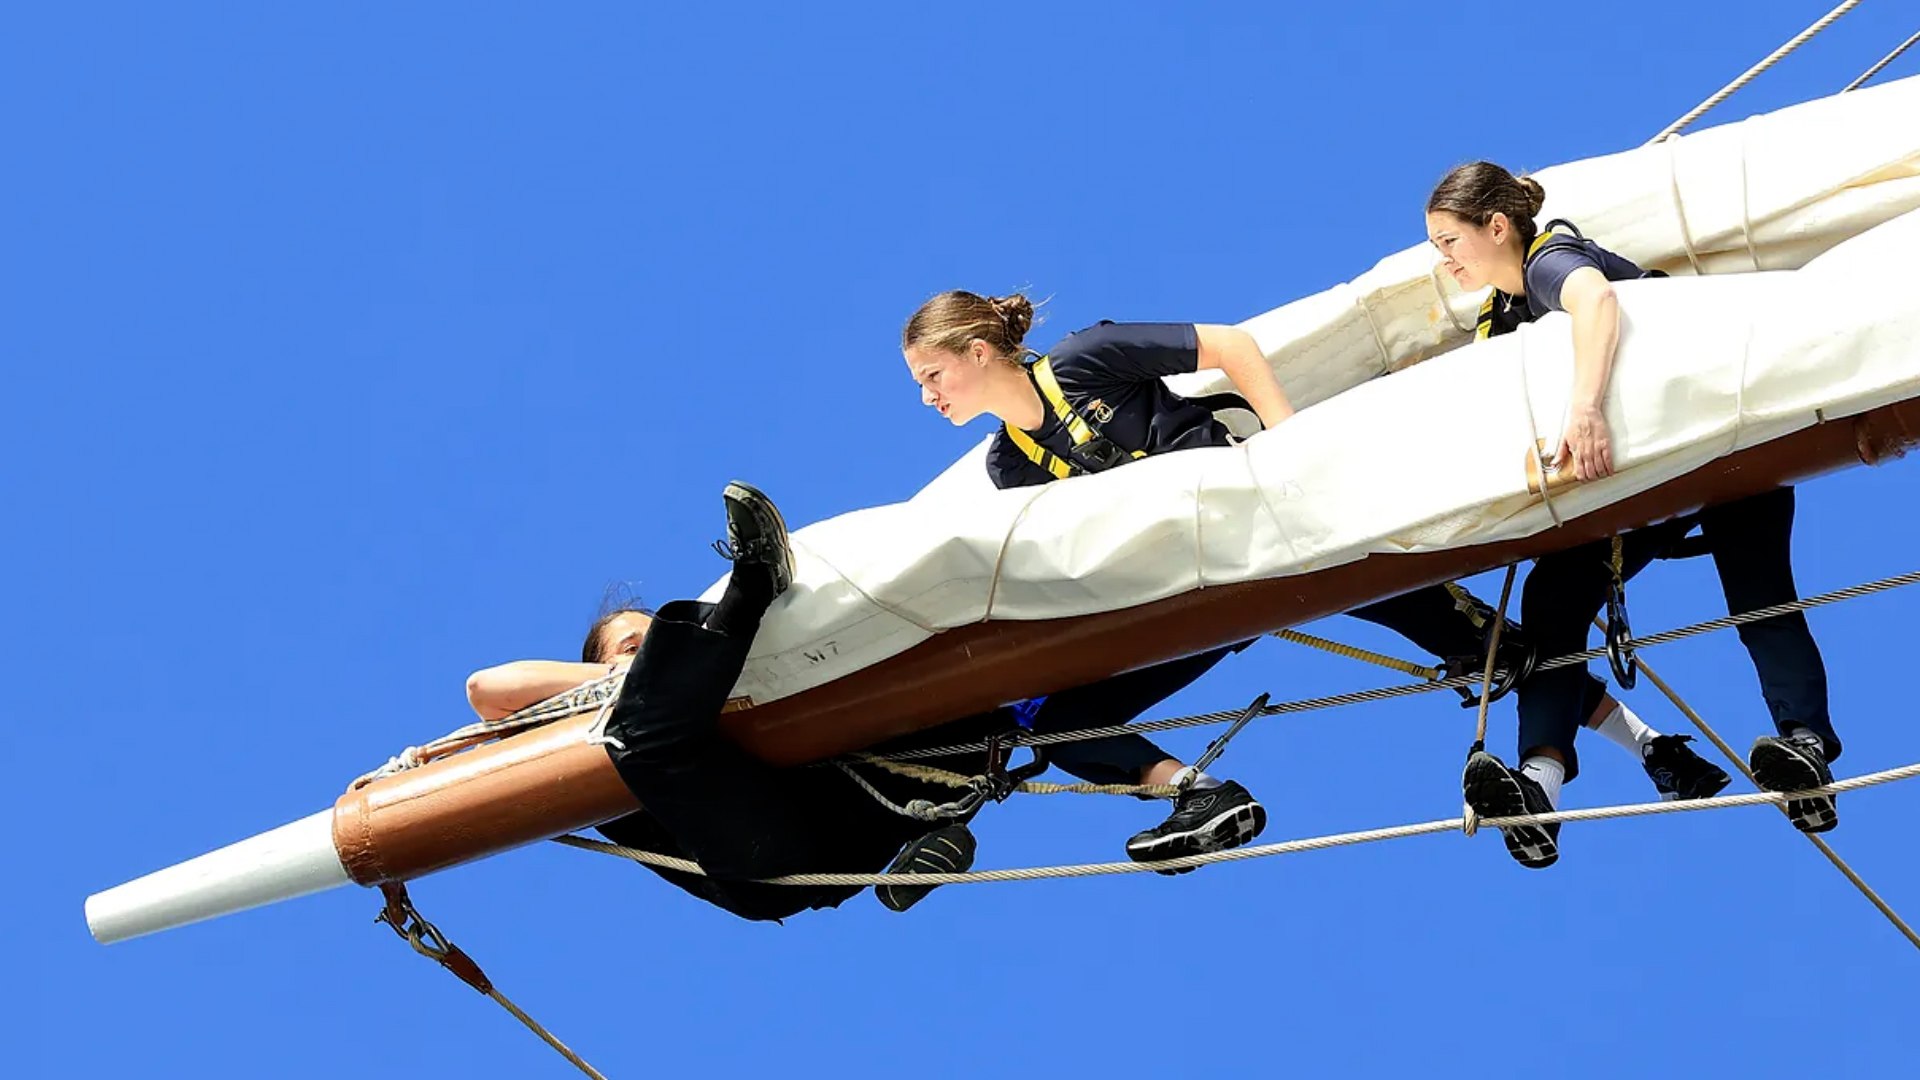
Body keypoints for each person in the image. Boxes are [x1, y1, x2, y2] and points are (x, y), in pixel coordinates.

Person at [901, 291, 1728, 863]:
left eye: (933, 376)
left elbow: (1229, 345)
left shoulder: (1086, 358)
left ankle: (1653, 748)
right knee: (1059, 718)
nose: (928, 396)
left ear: (978, 352)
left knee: (1478, 644)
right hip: (1194, 592)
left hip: (1272, 526)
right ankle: (1199, 794)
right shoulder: (1013, 466)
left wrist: (1288, 446)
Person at [1425, 161, 1842, 869]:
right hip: (1640, 488)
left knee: (1757, 592)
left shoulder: (1550, 258)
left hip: (1719, 446)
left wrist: (1584, 411)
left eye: (1448, 241)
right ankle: (1539, 789)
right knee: (1553, 601)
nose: (1443, 261)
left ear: (1496, 227)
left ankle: (1805, 748)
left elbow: (1598, 304)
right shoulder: (1499, 322)